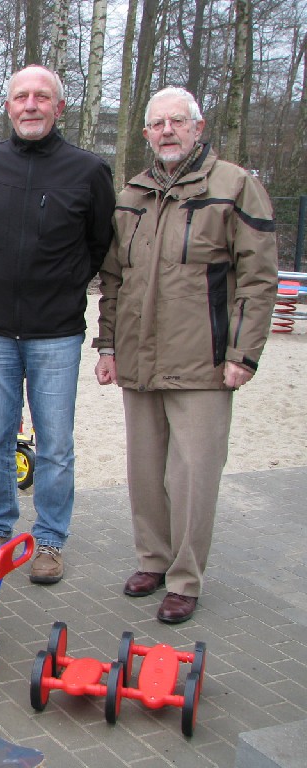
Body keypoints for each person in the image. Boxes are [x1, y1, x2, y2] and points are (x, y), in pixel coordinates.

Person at [94, 87, 278, 623]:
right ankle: (152, 558)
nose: (167, 130)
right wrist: (107, 344)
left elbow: (258, 278)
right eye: (157, 123)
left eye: (178, 121)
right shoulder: (132, 193)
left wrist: (243, 353)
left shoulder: (234, 185)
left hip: (205, 361)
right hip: (138, 358)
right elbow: (113, 278)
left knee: (194, 473)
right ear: (146, 133)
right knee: (145, 470)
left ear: (199, 127)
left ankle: (185, 577)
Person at [0, 64, 115, 584]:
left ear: (59, 107)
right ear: (8, 106)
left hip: (57, 332)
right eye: (21, 96)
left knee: (55, 443)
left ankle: (49, 540)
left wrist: (61, 284)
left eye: (42, 97)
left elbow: (97, 246)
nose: (31, 105)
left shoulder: (87, 171)